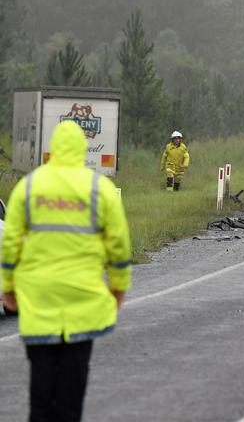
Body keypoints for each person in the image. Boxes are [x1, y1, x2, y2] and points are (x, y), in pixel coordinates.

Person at [1, 120, 132, 422]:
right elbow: (119, 246)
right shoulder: (101, 189)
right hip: (82, 303)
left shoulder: (29, 188)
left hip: (38, 302)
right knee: (72, 393)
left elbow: (9, 246)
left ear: (52, 150)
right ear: (82, 149)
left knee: (41, 390)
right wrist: (118, 287)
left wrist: (7, 287)